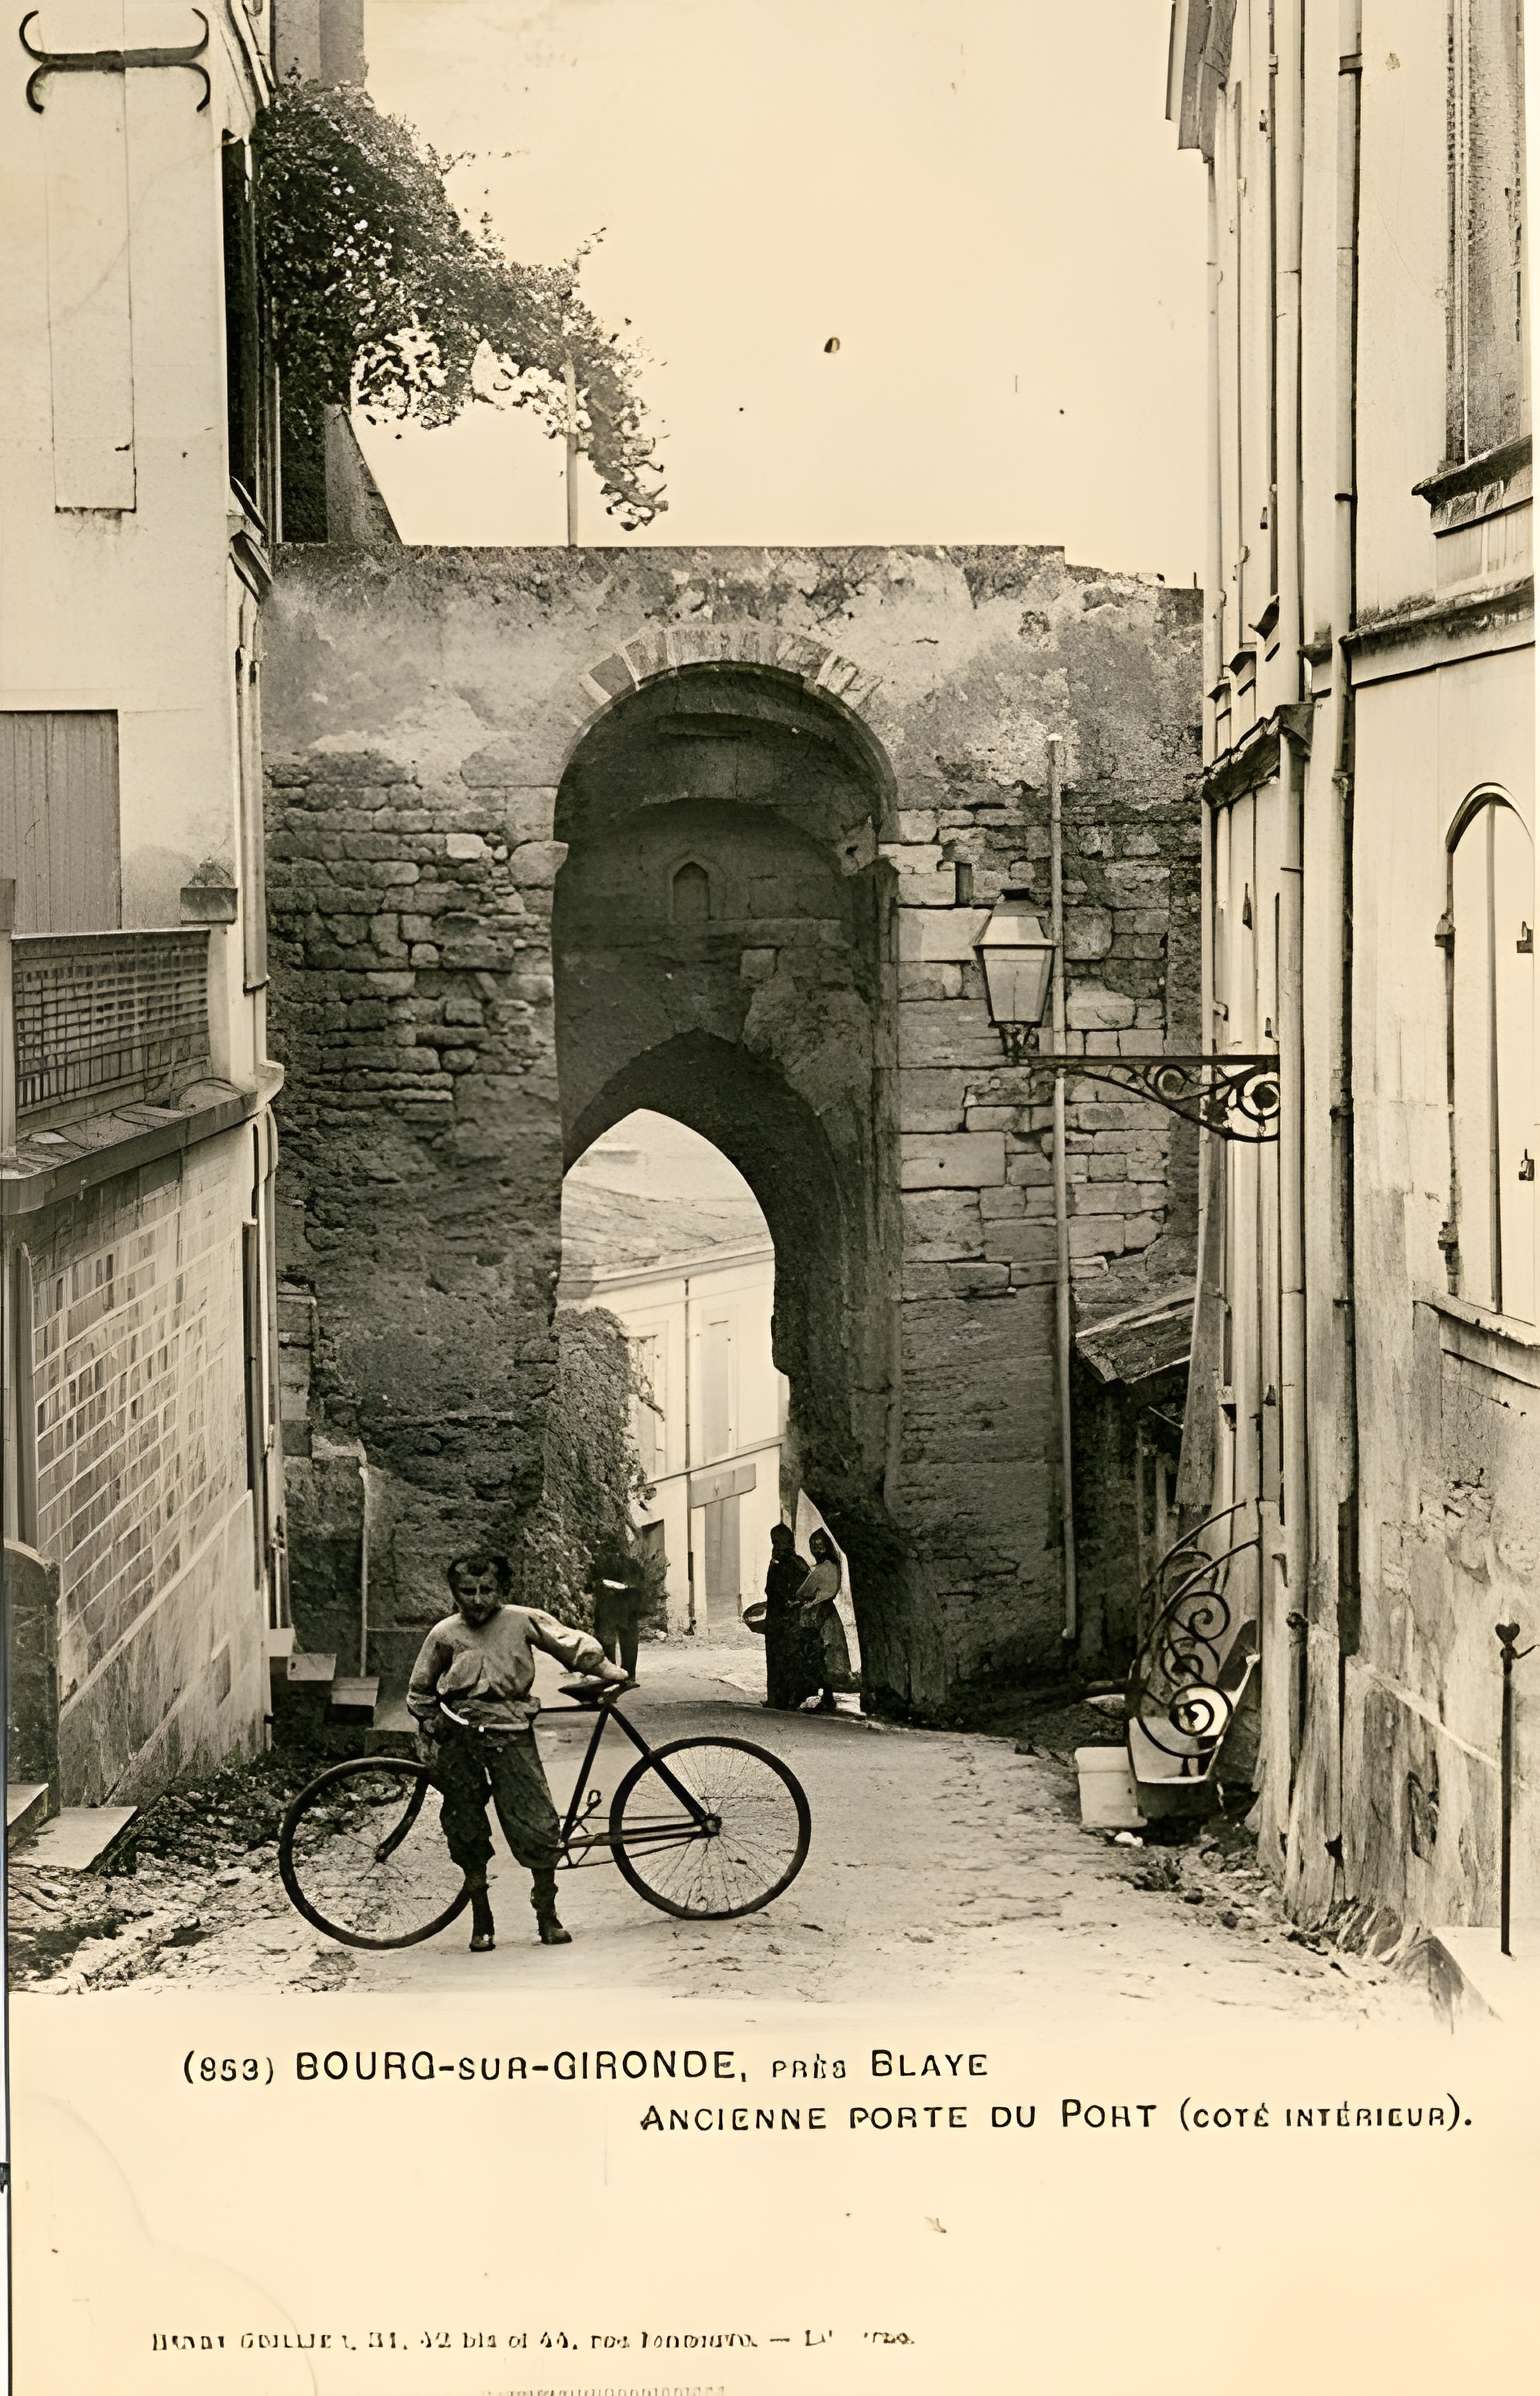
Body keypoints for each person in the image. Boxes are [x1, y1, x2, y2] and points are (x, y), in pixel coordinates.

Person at [407, 1552, 629, 1953]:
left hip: (512, 1734)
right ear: (454, 1592)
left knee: (537, 1823)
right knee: (465, 1826)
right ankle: (482, 1918)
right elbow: (419, 1690)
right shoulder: (444, 1633)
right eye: (467, 1591)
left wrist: (607, 1670)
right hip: (461, 1738)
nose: (477, 1600)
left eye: (486, 1590)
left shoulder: (521, 1619)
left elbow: (568, 1643)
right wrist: (434, 1722)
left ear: (501, 1590)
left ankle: (547, 1914)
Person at [795, 1527, 854, 1713]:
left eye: (819, 1546)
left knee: (819, 1654)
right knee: (826, 1654)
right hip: (828, 1613)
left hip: (819, 1615)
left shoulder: (822, 1570)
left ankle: (824, 1697)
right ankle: (826, 1696)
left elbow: (803, 1591)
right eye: (814, 1546)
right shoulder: (834, 1567)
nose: (816, 1550)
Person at [761, 1521, 815, 1710]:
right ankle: (785, 1698)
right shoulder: (797, 1563)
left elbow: (773, 1589)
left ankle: (783, 1699)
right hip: (786, 1619)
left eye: (776, 1542)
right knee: (788, 1659)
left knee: (784, 1659)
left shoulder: (784, 1564)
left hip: (784, 1620)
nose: (775, 1546)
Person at [589, 1539, 647, 1683]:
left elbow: (590, 1585)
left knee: (610, 1641)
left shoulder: (599, 1563)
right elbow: (641, 1585)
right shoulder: (631, 1564)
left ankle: (612, 1674)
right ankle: (627, 1675)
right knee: (627, 1641)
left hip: (611, 1607)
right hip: (627, 1607)